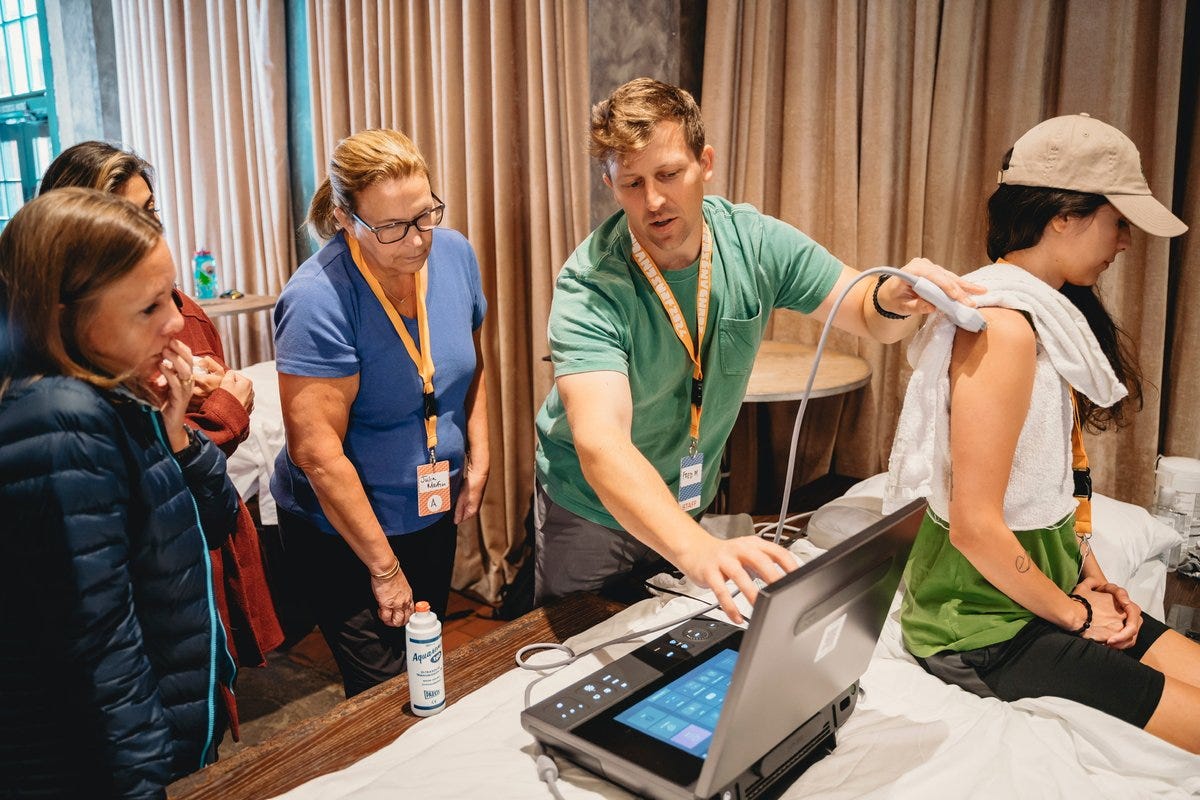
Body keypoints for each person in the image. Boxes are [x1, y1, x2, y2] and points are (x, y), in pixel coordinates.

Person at [533, 77, 983, 621]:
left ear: (706, 162)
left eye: (670, 174)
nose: (653, 200)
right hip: (591, 509)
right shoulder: (591, 284)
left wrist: (892, 296)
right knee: (583, 658)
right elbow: (601, 445)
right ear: (611, 184)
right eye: (632, 183)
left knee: (665, 643)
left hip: (684, 499)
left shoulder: (754, 242)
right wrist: (698, 549)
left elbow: (867, 311)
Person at [885, 114, 1200, 753]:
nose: (1125, 243)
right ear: (1063, 216)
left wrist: (1093, 577)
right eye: (1118, 222)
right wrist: (1077, 617)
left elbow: (1052, 484)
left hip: (1043, 595)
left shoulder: (1044, 319)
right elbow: (975, 524)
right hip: (982, 629)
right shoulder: (1004, 330)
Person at [0, 188, 239, 796]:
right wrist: (142, 783)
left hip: (168, 725)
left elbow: (214, 522)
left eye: (170, 295)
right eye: (148, 308)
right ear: (65, 317)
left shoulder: (118, 392)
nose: (177, 321)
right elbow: (100, 645)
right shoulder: (60, 416)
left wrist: (177, 428)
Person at [39, 142, 284, 699]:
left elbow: (205, 487)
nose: (146, 227)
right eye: (126, 215)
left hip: (194, 545)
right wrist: (224, 412)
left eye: (150, 211)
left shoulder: (181, 310)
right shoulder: (59, 386)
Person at [272, 128, 489, 697]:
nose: (417, 240)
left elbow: (472, 364)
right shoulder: (317, 299)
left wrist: (481, 454)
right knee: (383, 695)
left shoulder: (455, 253)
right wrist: (385, 569)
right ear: (345, 218)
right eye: (392, 227)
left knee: (425, 670)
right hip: (342, 533)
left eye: (424, 215)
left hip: (427, 508)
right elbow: (316, 455)